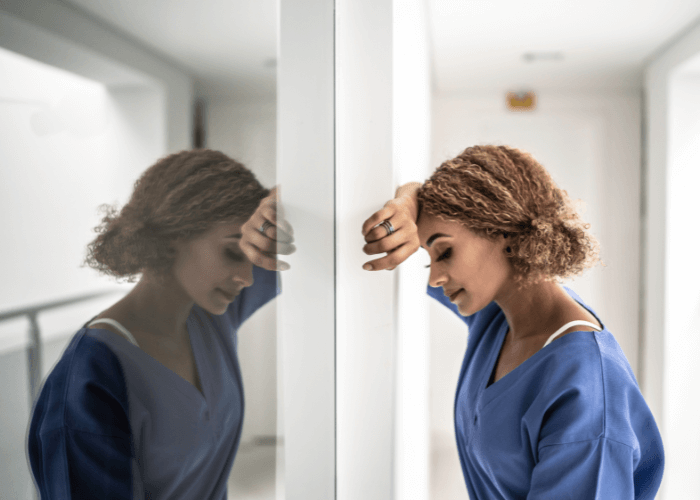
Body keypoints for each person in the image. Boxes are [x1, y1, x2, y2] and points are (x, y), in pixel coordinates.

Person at [361, 145, 664, 499]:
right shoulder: (498, 317)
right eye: (431, 260)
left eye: (444, 252)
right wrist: (408, 202)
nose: (434, 278)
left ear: (502, 230)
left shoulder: (587, 394)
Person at [27, 149, 294, 499]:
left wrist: (276, 201)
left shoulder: (211, 316)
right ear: (172, 237)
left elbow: (321, 202)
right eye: (232, 252)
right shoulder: (89, 379)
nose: (247, 276)